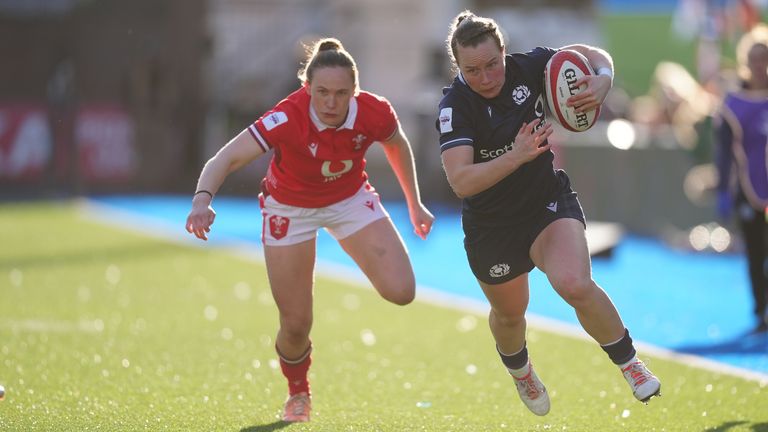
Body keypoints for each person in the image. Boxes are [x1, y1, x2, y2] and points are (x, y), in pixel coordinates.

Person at [185, 37, 434, 423]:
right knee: (296, 324)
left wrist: (414, 203)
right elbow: (226, 157)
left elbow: (397, 144)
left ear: (355, 90)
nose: (331, 103)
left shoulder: (374, 111)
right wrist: (202, 200)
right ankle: (298, 392)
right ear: (306, 87)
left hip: (349, 199)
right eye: (322, 93)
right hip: (289, 208)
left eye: (340, 93)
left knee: (402, 291)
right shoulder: (287, 117)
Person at [435, 11, 661, 416]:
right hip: (492, 224)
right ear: (458, 67)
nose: (486, 77)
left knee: (574, 283)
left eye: (492, 64)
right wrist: (515, 155)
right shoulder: (456, 106)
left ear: (505, 52)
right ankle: (521, 371)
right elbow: (461, 181)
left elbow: (594, 55)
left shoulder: (531, 65)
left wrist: (603, 80)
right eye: (473, 70)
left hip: (545, 201)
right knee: (510, 314)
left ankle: (631, 365)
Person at [715, 24, 768, 334]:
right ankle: (761, 312)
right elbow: (723, 153)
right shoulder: (733, 104)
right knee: (756, 252)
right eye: (754, 58)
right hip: (749, 190)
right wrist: (722, 190)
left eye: (764, 58)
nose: (759, 65)